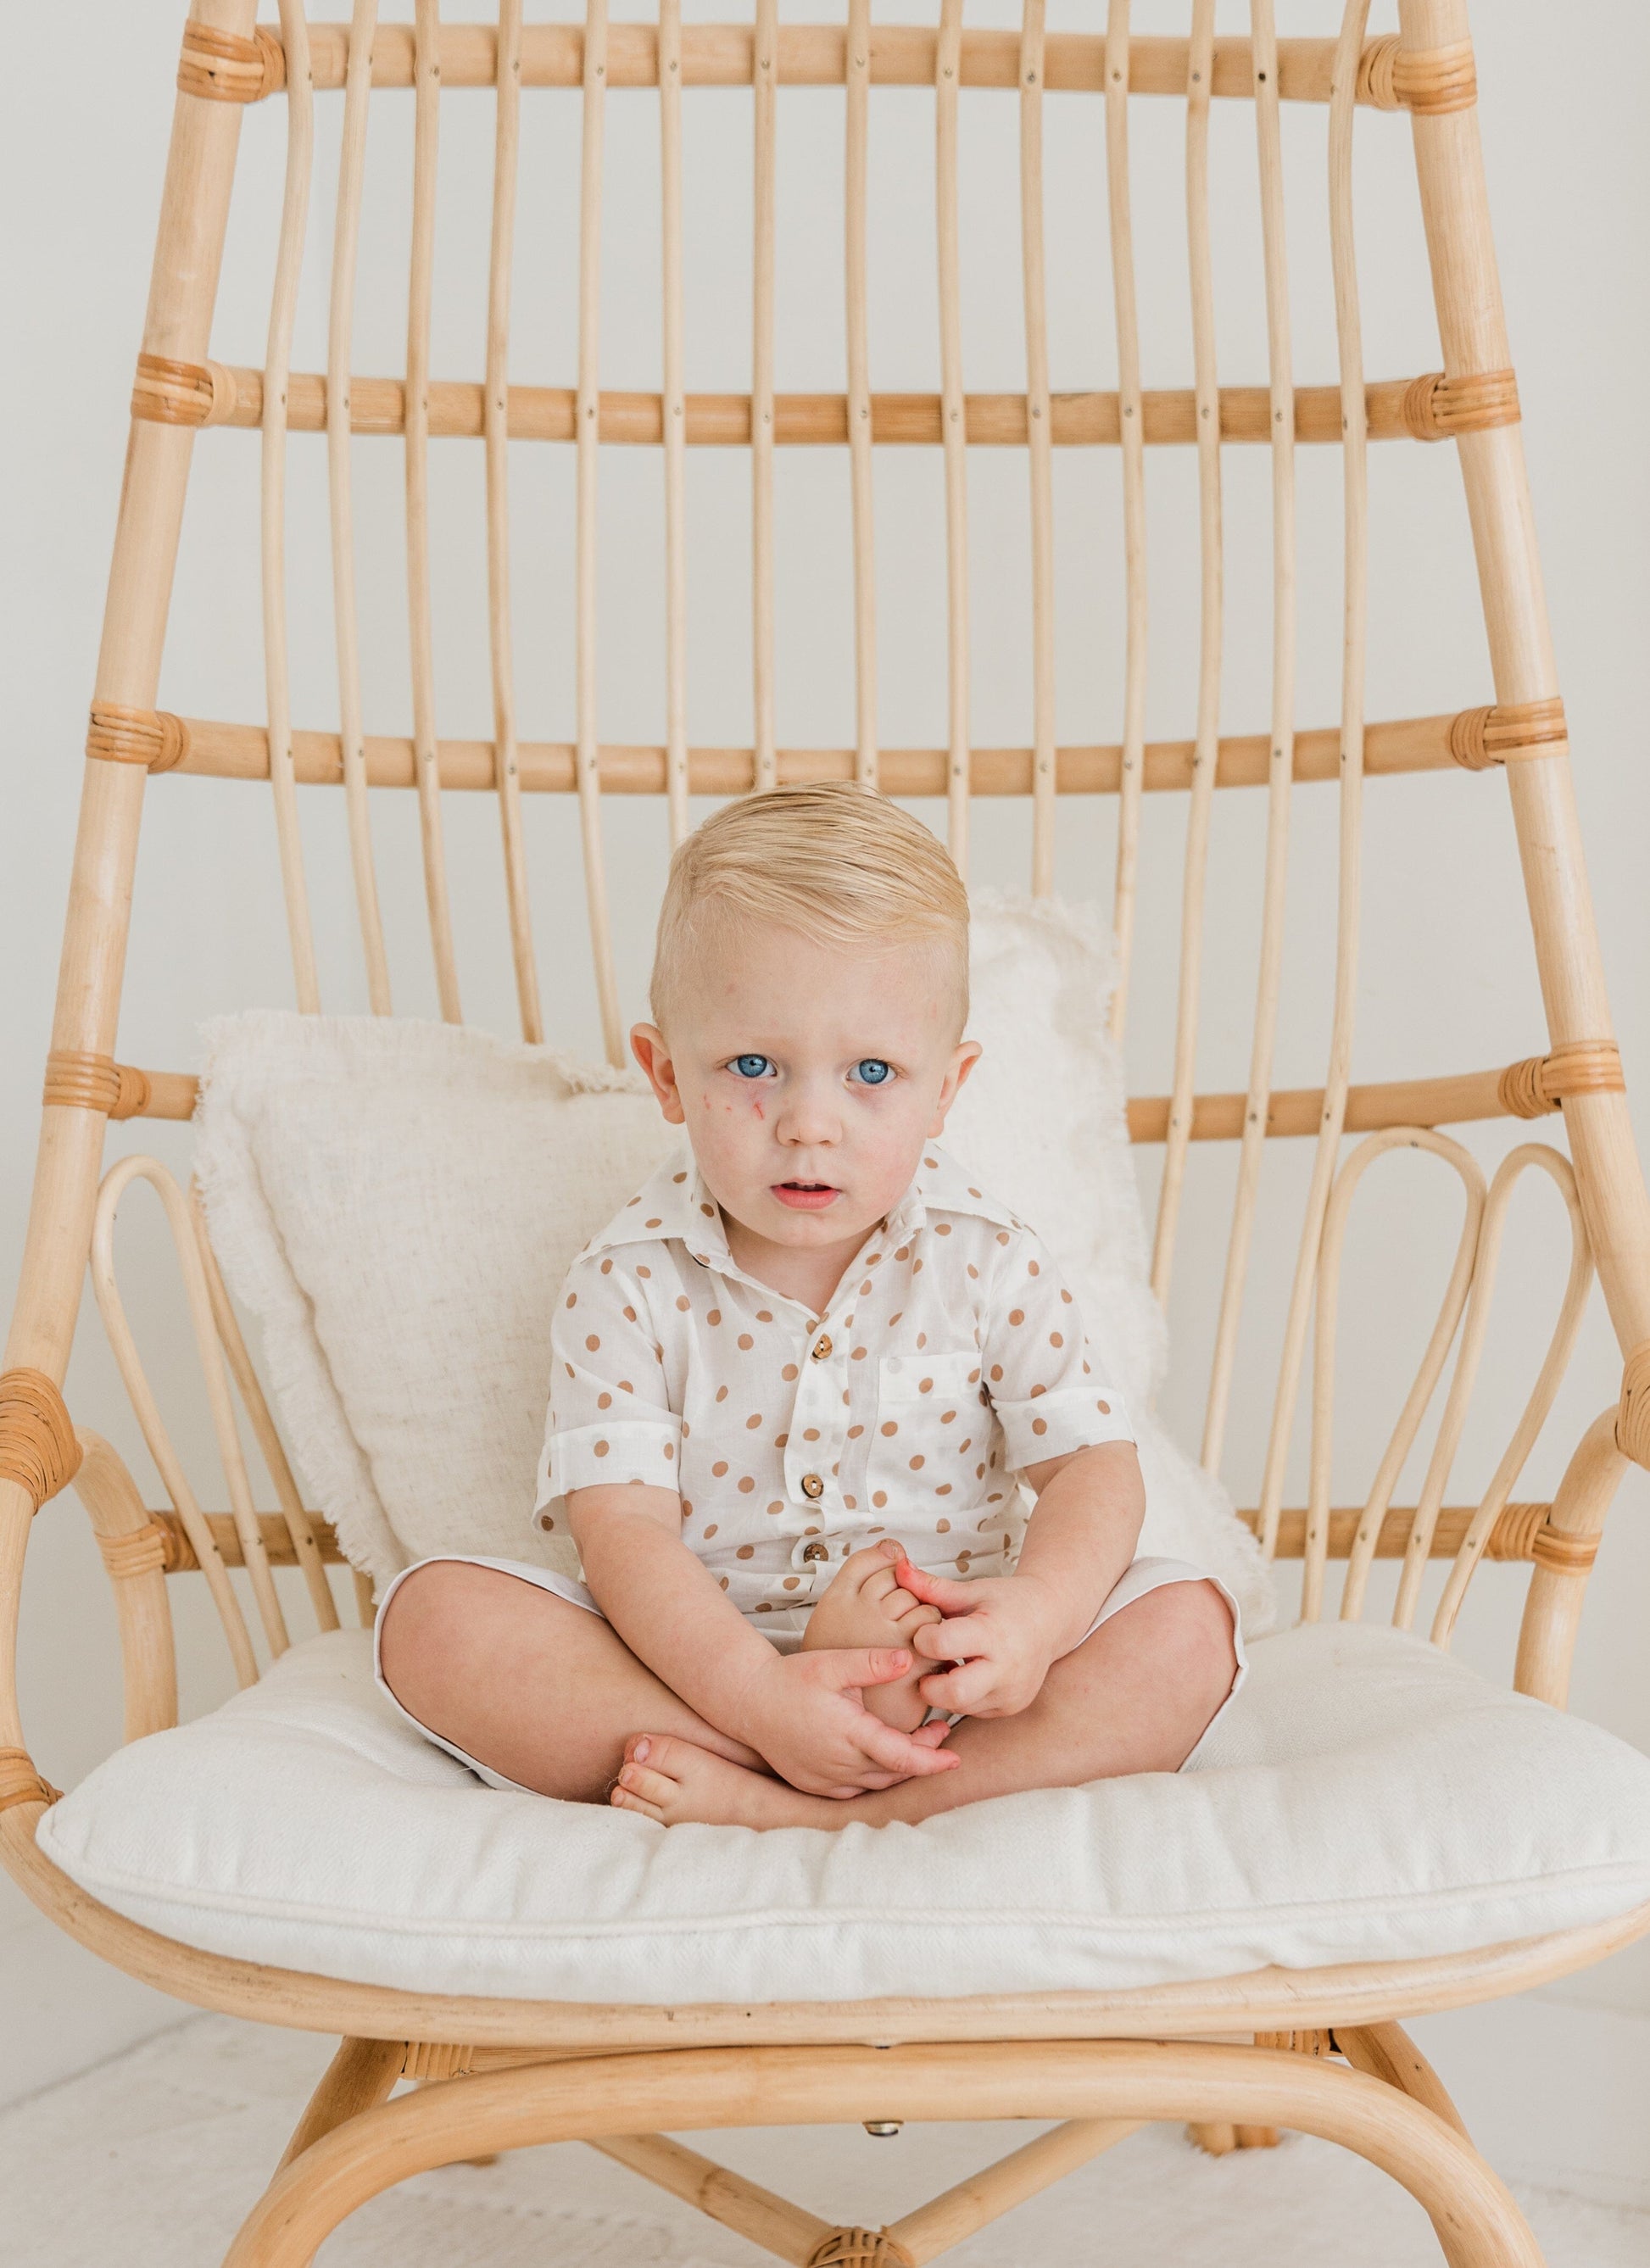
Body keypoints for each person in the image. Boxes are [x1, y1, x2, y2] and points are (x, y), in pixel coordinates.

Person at [376, 784, 1243, 1827]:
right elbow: (625, 1534)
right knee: (432, 1619)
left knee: (1189, 1626)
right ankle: (779, 1758)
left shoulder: (988, 1261)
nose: (808, 1123)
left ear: (945, 1090)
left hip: (949, 1680)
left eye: (871, 1071)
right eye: (753, 1066)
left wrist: (1037, 1618)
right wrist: (759, 1696)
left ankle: (823, 1809)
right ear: (664, 1072)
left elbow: (1091, 1467)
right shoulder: (627, 1282)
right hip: (695, 1678)